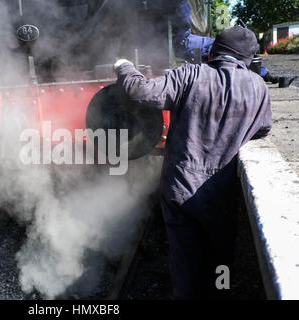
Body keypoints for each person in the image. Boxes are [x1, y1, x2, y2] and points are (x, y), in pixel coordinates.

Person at [113, 26, 272, 299]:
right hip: (222, 192)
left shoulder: (190, 75)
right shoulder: (258, 87)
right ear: (248, 58)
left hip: (180, 186)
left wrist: (124, 66)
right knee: (221, 256)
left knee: (185, 258)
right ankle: (220, 292)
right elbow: (263, 129)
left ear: (213, 51)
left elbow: (142, 91)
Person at [167, 0, 279, 83]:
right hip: (178, 41)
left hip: (182, 39)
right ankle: (262, 72)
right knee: (225, 47)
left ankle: (262, 72)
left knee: (222, 45)